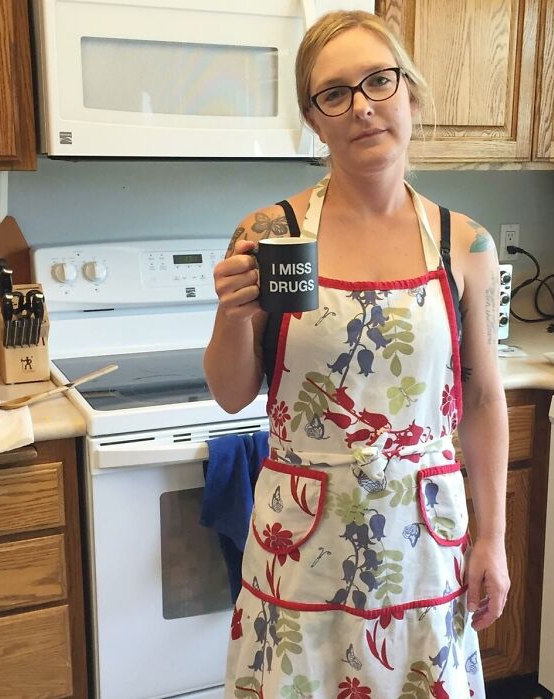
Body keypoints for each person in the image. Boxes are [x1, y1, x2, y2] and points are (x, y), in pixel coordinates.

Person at [204, 10, 509, 698]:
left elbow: (484, 397)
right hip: (301, 551)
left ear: (411, 93)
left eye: (379, 81)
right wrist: (231, 317)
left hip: (424, 544)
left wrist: (492, 538)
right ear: (315, 121)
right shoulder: (271, 233)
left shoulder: (466, 244)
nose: (362, 106)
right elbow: (231, 392)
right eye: (335, 93)